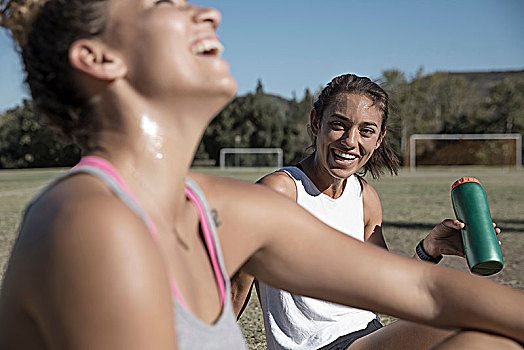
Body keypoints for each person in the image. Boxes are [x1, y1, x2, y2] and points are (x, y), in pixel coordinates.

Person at [0, 1, 522, 349]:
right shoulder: (88, 223)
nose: (209, 12)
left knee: (487, 340)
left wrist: (430, 251)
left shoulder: (232, 209)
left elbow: (429, 293)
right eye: (164, 3)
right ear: (99, 58)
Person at [230, 73, 505, 349]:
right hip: (319, 346)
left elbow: (389, 292)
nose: (350, 141)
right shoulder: (279, 192)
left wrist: (430, 249)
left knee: (488, 322)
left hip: (368, 335)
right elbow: (236, 288)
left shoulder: (365, 198)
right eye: (339, 125)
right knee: (470, 321)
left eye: (366, 131)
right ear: (316, 122)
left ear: (379, 138)